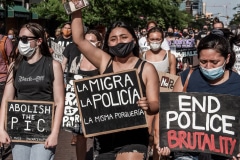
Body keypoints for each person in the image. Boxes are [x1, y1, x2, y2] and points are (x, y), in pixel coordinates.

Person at [71, 7, 170, 160]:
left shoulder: (146, 68)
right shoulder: (105, 62)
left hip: (134, 137)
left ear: (134, 40)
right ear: (108, 43)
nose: (119, 42)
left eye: (124, 37)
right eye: (113, 39)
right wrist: (75, 9)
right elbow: (79, 40)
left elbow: (155, 104)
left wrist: (148, 104)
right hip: (105, 138)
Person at [172, 29, 240, 160]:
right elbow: (172, 114)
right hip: (188, 151)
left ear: (227, 58)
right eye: (203, 62)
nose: (208, 67)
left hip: (224, 153)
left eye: (215, 62)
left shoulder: (237, 84)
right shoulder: (187, 77)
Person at [0, 23, 65, 160]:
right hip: (19, 128)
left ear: (39, 41)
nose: (20, 42)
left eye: (25, 39)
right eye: (19, 39)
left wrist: (55, 133)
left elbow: (59, 101)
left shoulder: (53, 66)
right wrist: (1, 129)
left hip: (44, 129)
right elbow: (6, 99)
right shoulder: (15, 66)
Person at [141, 26, 176, 160]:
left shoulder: (170, 56)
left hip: (163, 100)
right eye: (152, 39)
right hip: (147, 100)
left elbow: (173, 79)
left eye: (158, 39)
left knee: (159, 135)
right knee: (148, 133)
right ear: (147, 40)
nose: (155, 41)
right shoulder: (142, 56)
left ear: (162, 40)